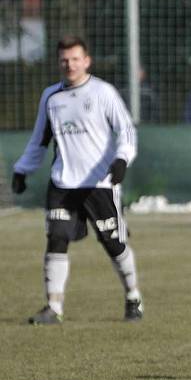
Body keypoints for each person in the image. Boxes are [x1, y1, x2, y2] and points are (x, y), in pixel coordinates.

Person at [12, 35, 142, 324]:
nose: (69, 64)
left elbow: (127, 131)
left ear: (86, 61)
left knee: (113, 244)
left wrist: (121, 160)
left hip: (99, 184)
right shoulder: (51, 97)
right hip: (62, 183)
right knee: (56, 238)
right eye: (64, 60)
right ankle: (53, 308)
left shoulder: (103, 92)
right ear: (59, 62)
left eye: (75, 59)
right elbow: (40, 139)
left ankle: (133, 297)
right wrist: (22, 169)